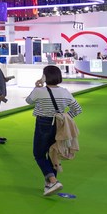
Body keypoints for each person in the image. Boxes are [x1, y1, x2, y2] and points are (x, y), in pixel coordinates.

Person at [25, 66, 83, 196]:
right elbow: (77, 109)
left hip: (43, 123)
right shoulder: (65, 92)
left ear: (44, 77)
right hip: (59, 124)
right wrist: (64, 117)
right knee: (53, 153)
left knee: (39, 154)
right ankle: (49, 185)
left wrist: (36, 86)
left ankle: (53, 180)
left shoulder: (39, 91)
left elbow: (28, 101)